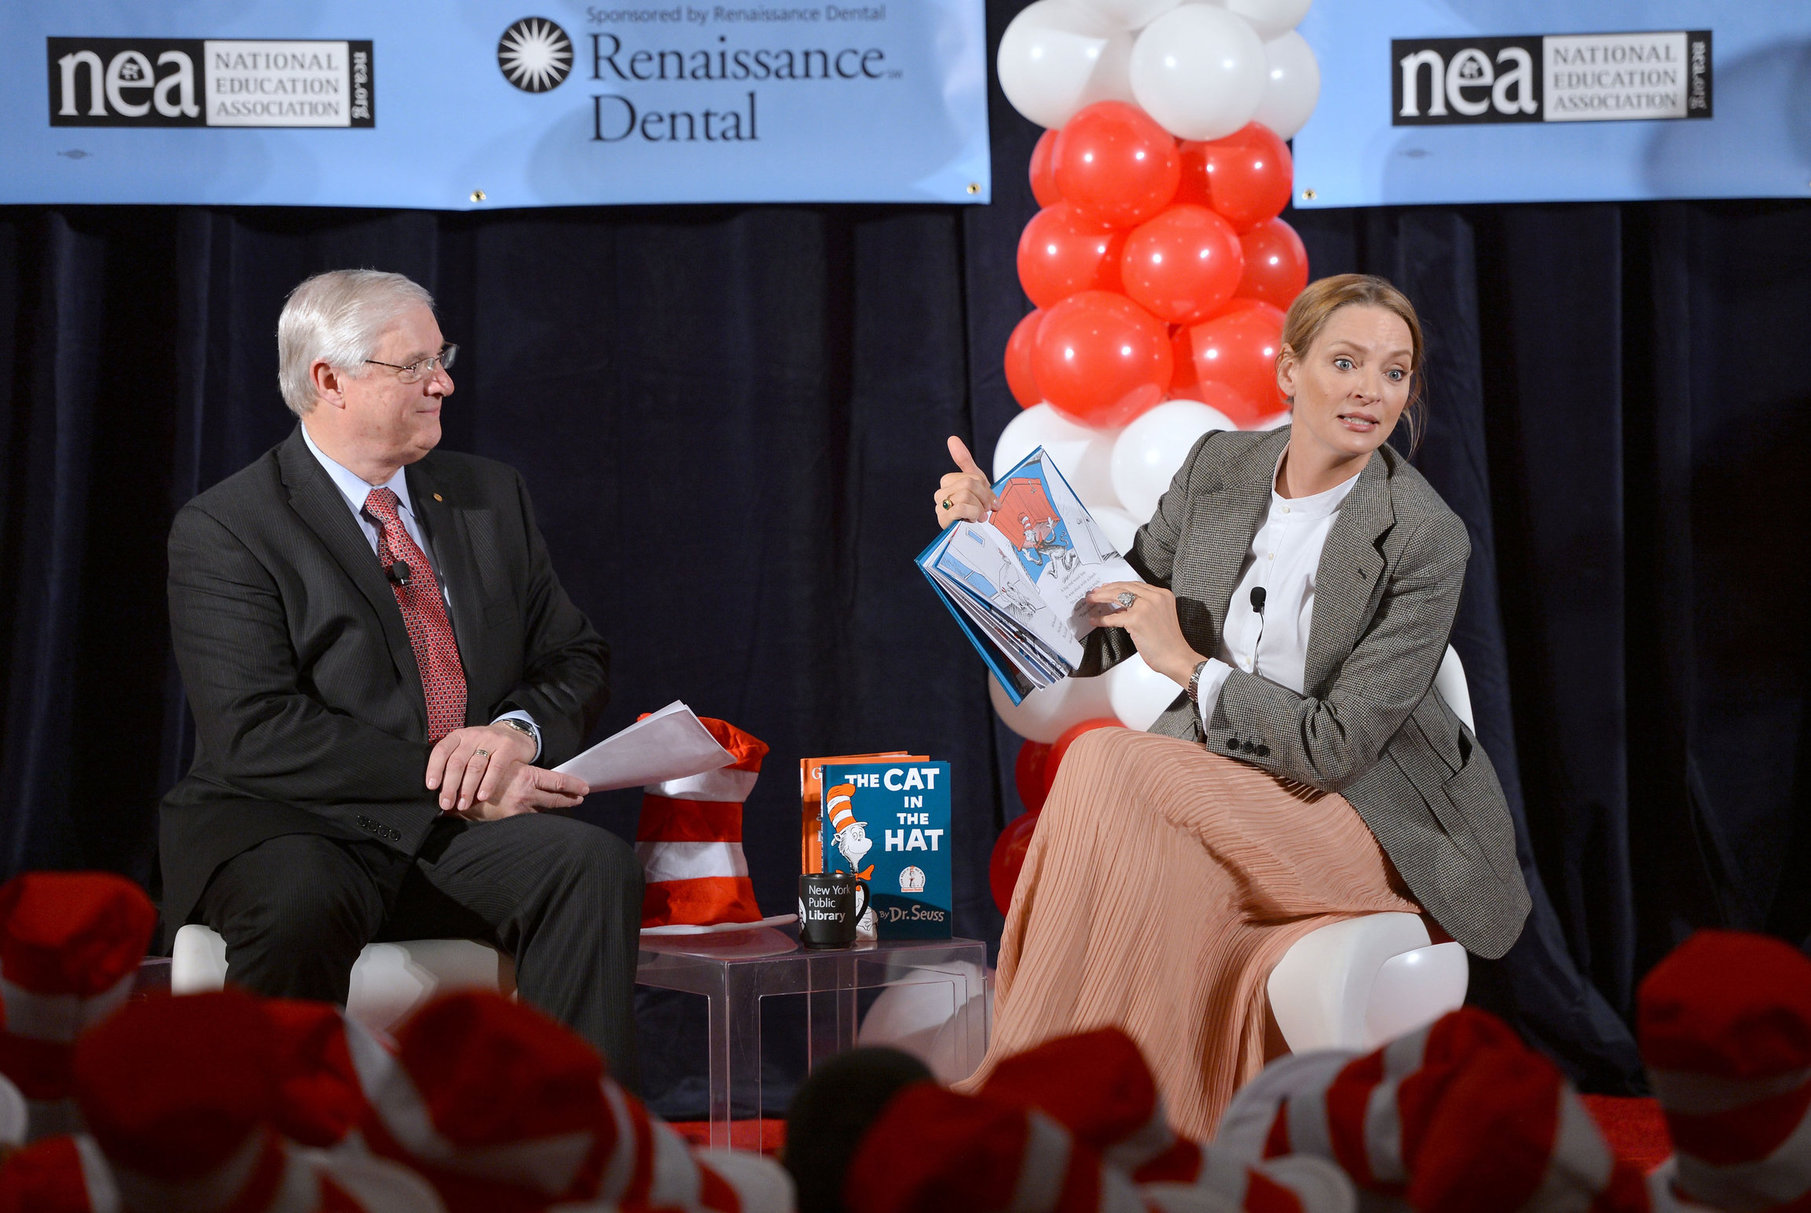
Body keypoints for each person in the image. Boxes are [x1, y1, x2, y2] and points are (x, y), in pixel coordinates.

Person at [932, 274, 1531, 1137]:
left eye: (1394, 371)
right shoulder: (1219, 467)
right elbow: (1103, 628)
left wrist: (1191, 667)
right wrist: (999, 535)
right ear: (1288, 370)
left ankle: (1053, 1106)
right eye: (1345, 361)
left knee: (1105, 757)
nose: (1371, 388)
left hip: (1360, 815)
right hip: (1221, 789)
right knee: (1126, 793)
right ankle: (1111, 1120)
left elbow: (1336, 746)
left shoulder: (1423, 535)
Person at [160, 269, 643, 1082]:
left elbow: (572, 655)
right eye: (414, 364)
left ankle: (566, 1142)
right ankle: (276, 1146)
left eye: (441, 358)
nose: (443, 382)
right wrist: (457, 780)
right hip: (297, 820)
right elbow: (256, 730)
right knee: (299, 899)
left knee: (590, 866)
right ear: (329, 380)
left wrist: (512, 736)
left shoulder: (489, 495)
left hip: (452, 835)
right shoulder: (228, 526)